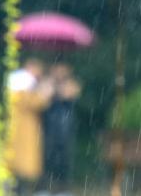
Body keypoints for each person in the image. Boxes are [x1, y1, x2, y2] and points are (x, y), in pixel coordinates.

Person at [4, 58, 52, 196]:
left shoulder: (19, 84)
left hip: (19, 129)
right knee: (22, 168)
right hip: (25, 131)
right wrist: (45, 94)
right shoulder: (24, 85)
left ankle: (18, 189)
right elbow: (34, 103)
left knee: (17, 167)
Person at [42, 63, 81, 196]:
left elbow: (70, 94)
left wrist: (57, 89)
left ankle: (63, 190)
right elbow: (43, 96)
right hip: (49, 128)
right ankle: (45, 189)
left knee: (64, 161)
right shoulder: (46, 82)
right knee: (47, 160)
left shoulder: (71, 83)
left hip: (65, 128)